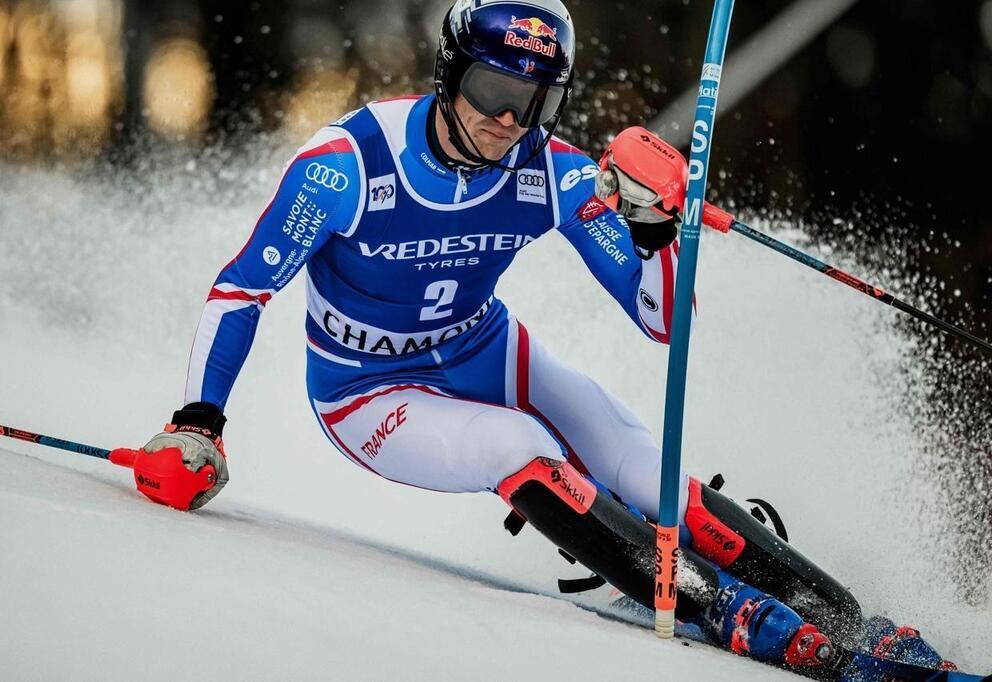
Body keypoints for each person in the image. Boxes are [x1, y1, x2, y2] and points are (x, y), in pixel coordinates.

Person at [131, 0, 954, 671]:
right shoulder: (347, 166)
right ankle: (744, 620)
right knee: (516, 442)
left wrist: (655, 232)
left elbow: (663, 324)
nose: (504, 119)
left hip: (485, 352)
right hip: (368, 393)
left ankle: (840, 616)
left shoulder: (551, 172)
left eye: (532, 102)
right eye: (491, 88)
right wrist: (198, 424)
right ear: (452, 72)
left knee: (646, 468)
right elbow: (243, 286)